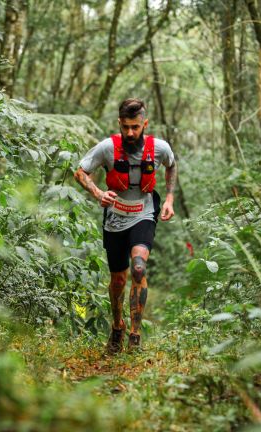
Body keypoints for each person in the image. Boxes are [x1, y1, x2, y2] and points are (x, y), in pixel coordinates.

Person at [74, 98, 177, 353]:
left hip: (144, 211)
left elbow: (171, 166)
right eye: (126, 127)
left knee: (139, 267)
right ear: (119, 123)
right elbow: (80, 172)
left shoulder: (159, 148)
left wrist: (170, 199)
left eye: (136, 127)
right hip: (115, 216)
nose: (131, 132)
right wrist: (98, 193)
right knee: (118, 280)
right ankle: (117, 326)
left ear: (145, 124)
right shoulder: (107, 147)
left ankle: (135, 335)